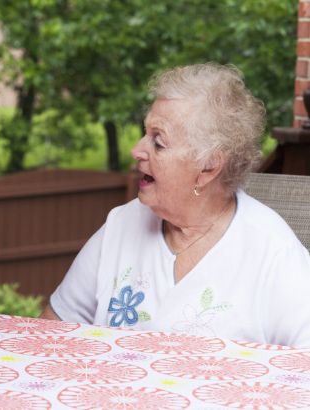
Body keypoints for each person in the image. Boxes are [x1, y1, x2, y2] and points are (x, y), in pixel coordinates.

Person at [41, 63, 310, 347]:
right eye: (145, 133)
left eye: (158, 142)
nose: (137, 150)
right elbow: (53, 330)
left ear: (208, 167)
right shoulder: (121, 226)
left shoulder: (274, 254)